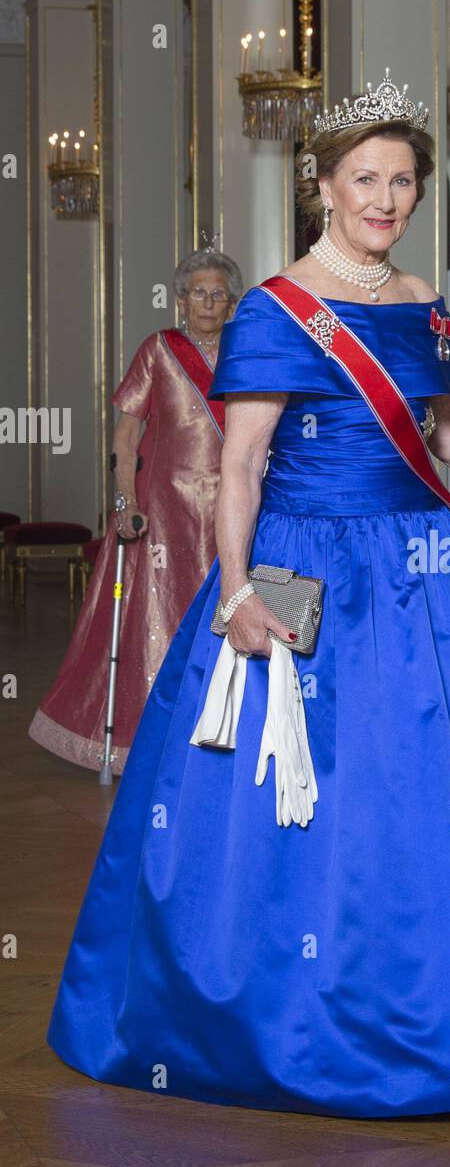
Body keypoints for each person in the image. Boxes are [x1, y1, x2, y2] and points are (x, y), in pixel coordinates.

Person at [45, 70, 450, 1117]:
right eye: (366, 178)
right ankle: (282, 1020)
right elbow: (242, 466)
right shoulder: (275, 308)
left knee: (430, 788)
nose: (386, 199)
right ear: (323, 186)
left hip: (422, 570)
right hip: (302, 569)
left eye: (402, 181)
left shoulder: (425, 309)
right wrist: (231, 596)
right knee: (294, 805)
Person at [29, 244, 242, 774]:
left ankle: (221, 730)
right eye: (199, 293)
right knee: (161, 612)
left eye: (219, 294)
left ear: (232, 303)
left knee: (226, 611)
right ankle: (155, 736)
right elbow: (125, 435)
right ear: (180, 300)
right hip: (164, 507)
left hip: (232, 505)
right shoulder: (159, 350)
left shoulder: (246, 352)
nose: (209, 303)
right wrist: (124, 502)